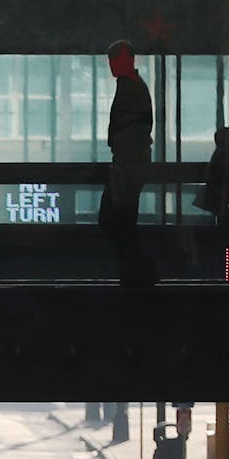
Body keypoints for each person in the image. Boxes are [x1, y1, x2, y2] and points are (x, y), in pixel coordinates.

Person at [98, 40, 157, 288]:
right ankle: (135, 272)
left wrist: (121, 155)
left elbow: (131, 131)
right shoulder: (133, 87)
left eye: (115, 59)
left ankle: (136, 272)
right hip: (129, 163)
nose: (111, 64)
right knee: (121, 221)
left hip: (127, 165)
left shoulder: (130, 89)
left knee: (115, 220)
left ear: (126, 60)